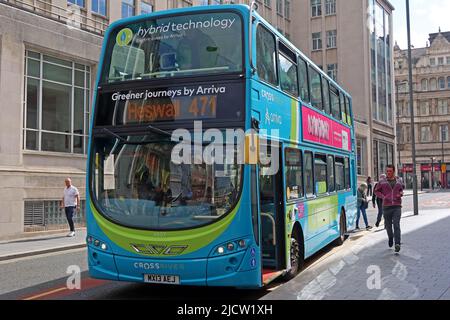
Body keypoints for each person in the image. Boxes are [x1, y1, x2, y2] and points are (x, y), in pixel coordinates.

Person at [374, 165, 405, 253]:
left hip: (397, 205)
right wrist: (383, 197)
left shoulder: (399, 180)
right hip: (386, 207)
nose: (388, 173)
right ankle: (390, 238)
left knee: (396, 224)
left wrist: (401, 193)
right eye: (387, 171)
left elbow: (401, 188)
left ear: (394, 171)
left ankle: (397, 243)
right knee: (388, 226)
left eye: (390, 171)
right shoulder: (382, 181)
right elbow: (376, 191)